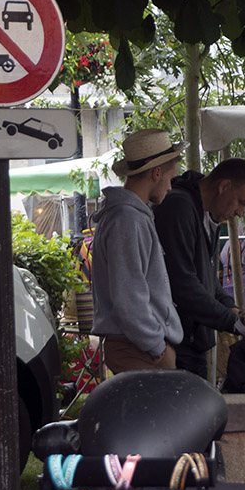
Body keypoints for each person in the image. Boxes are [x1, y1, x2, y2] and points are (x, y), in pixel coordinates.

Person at [153, 158, 245, 379]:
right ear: (223, 186)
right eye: (240, 202)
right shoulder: (178, 207)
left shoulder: (205, 214)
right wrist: (233, 322)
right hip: (174, 343)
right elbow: (182, 283)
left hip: (192, 340)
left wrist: (231, 308)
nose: (240, 213)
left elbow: (208, 280)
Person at [90, 128, 186, 374]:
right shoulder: (127, 219)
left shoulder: (129, 216)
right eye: (170, 178)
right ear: (156, 173)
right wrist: (156, 347)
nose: (170, 187)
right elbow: (129, 296)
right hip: (138, 348)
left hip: (138, 345)